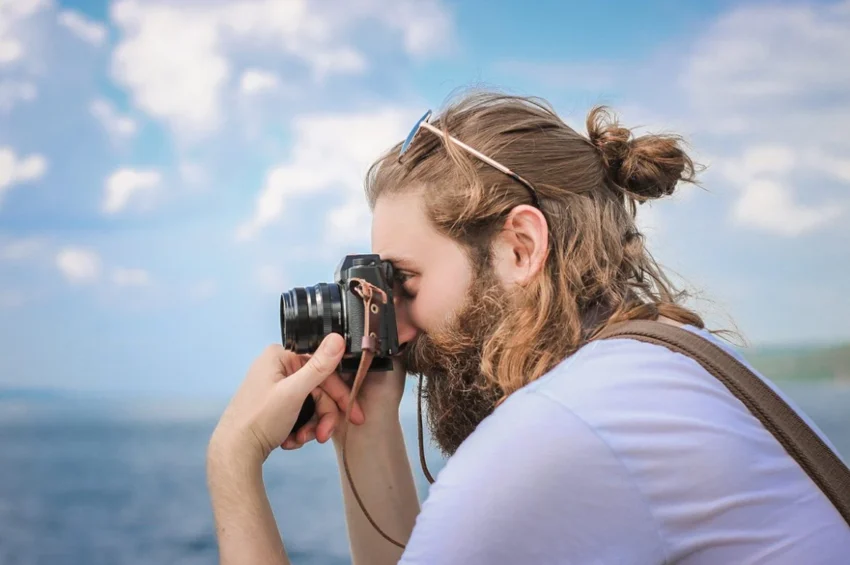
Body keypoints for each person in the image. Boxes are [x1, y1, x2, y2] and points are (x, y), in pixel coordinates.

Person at [206, 91, 850, 564]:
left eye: (404, 283)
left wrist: (231, 465)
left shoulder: (563, 426)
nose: (394, 329)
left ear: (520, 246)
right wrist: (368, 426)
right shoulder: (658, 365)